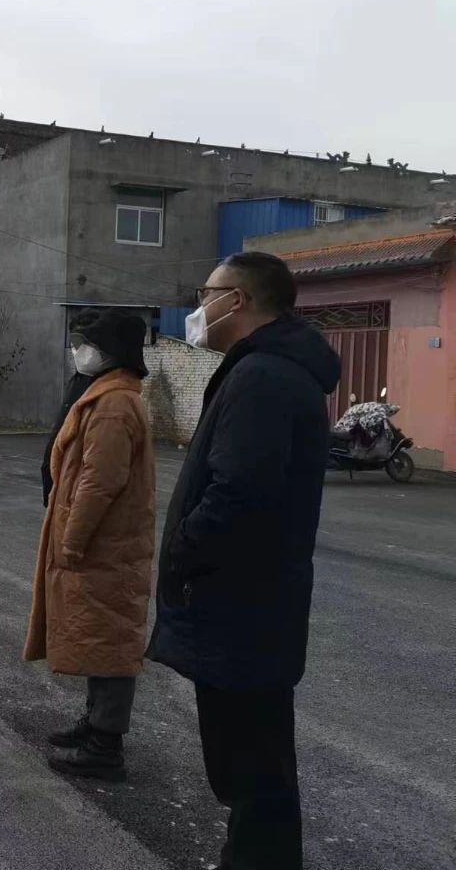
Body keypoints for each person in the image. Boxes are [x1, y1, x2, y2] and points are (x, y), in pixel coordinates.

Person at [147, 252, 340, 870]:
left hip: (241, 604)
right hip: (253, 603)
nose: (199, 305)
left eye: (207, 293)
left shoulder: (264, 378)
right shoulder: (268, 370)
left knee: (252, 769)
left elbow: (238, 492)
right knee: (254, 765)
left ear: (239, 300)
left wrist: (184, 551)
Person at [22, 310, 155, 782]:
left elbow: (99, 483)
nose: (78, 351)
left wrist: (72, 541)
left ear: (112, 351)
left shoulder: (114, 405)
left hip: (105, 546)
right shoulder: (106, 395)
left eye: (87, 344)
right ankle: (96, 722)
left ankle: (105, 745)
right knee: (101, 635)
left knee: (111, 640)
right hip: (106, 545)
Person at [40, 308, 100, 507]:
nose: (77, 349)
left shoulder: (104, 389)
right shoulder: (76, 381)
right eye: (74, 343)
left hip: (76, 498)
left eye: (83, 343)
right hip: (59, 492)